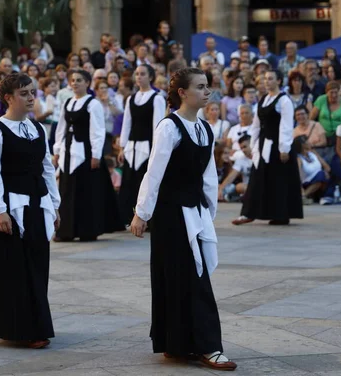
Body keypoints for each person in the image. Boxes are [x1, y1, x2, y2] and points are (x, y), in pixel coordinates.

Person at [130, 67, 237, 371]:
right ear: (182, 93)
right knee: (181, 278)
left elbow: (208, 174)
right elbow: (155, 172)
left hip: (194, 212)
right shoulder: (169, 127)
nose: (208, 92)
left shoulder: (204, 128)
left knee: (192, 277)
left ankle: (181, 343)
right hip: (170, 216)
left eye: (208, 87)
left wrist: (209, 214)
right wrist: (142, 213)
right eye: (201, 87)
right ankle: (206, 346)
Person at [0, 73, 60, 349]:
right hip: (9, 209)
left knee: (36, 265)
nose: (31, 98)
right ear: (8, 98)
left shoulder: (37, 128)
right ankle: (18, 327)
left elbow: (46, 167)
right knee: (14, 269)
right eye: (24, 93)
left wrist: (55, 204)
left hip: (36, 204)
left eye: (32, 92)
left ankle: (35, 324)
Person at [53, 70, 124, 241]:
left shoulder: (93, 104)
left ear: (87, 83)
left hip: (84, 152)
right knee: (67, 191)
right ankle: (65, 231)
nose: (75, 83)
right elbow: (60, 129)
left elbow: (97, 131)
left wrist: (95, 155)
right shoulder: (68, 103)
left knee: (85, 192)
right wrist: (56, 150)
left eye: (79, 80)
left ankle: (86, 230)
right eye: (72, 80)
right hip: (68, 152)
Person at [233, 70, 303, 225]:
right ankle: (249, 213)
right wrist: (252, 144)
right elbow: (256, 125)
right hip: (263, 144)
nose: (267, 81)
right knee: (257, 178)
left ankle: (280, 214)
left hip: (278, 145)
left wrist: (284, 149)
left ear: (279, 81)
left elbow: (286, 126)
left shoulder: (284, 101)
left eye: (270, 78)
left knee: (279, 180)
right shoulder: (263, 99)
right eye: (265, 79)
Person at [118, 65, 166, 225]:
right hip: (132, 147)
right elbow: (126, 124)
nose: (139, 77)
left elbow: (157, 125)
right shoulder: (131, 99)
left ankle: (148, 219)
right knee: (130, 183)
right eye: (137, 74)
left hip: (147, 147)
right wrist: (122, 146)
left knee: (145, 183)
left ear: (151, 77)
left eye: (143, 74)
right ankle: (128, 218)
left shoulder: (157, 98)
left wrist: (156, 148)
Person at [218, 135, 253, 202]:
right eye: (241, 148)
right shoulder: (241, 160)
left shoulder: (261, 157)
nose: (243, 150)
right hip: (247, 187)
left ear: (252, 144)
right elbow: (231, 177)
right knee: (239, 186)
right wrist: (220, 190)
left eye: (245, 147)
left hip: (261, 185)